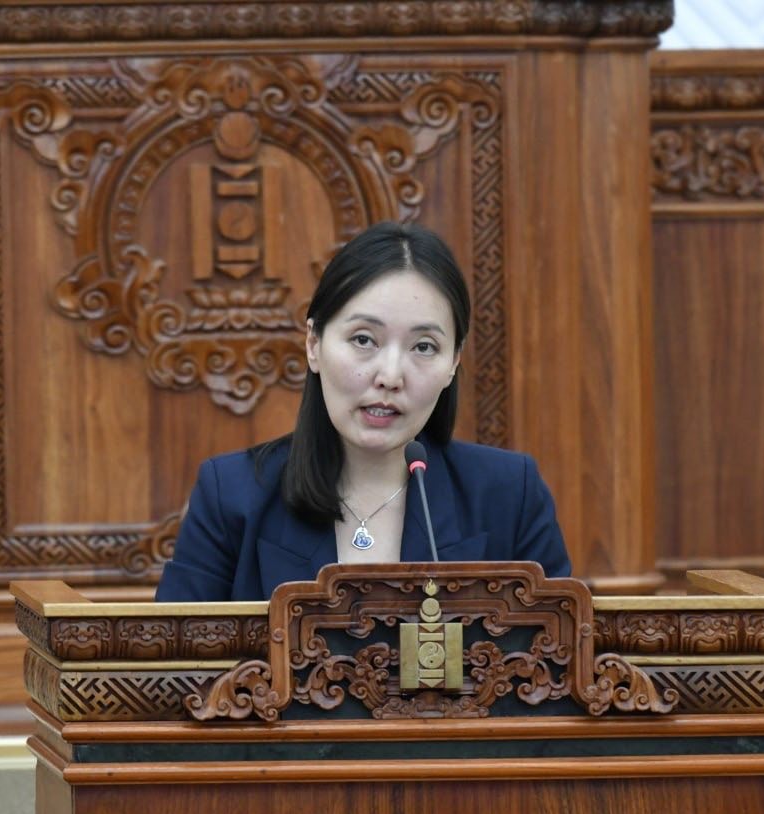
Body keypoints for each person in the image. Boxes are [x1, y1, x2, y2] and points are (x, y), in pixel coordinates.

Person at [155, 222, 571, 601]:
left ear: (453, 363)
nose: (390, 376)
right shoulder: (231, 495)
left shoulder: (508, 495)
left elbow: (559, 651)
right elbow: (177, 658)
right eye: (363, 340)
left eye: (423, 346)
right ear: (314, 344)